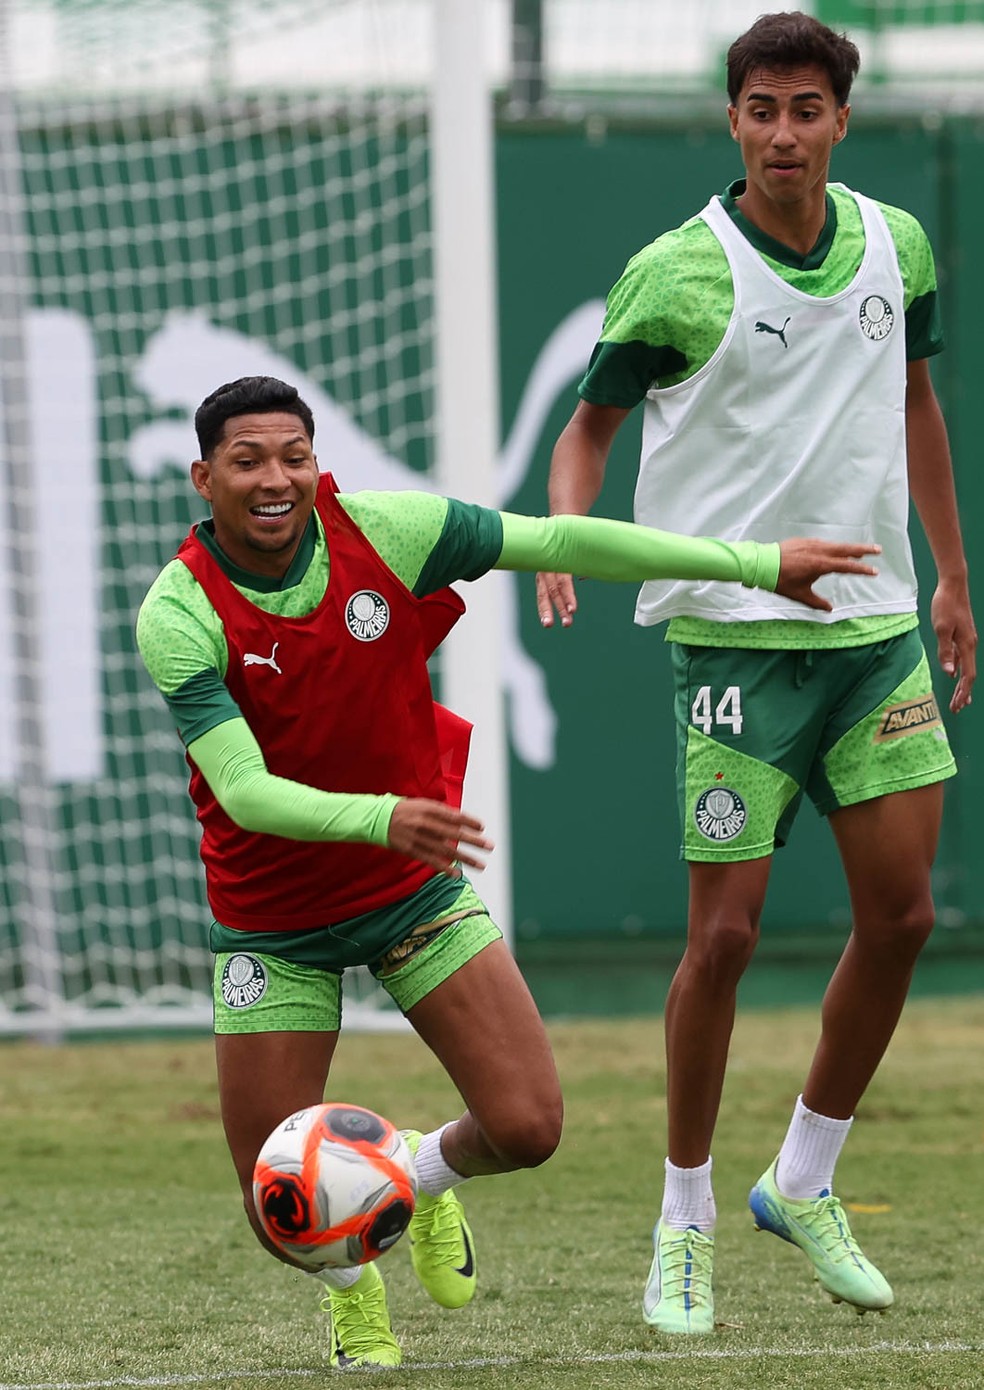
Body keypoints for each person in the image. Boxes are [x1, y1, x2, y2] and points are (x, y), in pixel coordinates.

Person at [135, 374, 877, 1369]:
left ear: (317, 463)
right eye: (248, 460)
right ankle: (355, 1298)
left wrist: (752, 561)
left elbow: (562, 542)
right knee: (280, 1204)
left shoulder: (390, 533)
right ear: (203, 477)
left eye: (293, 456)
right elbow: (245, 790)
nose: (276, 477)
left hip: (409, 890)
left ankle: (408, 1173)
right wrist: (385, 815)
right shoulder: (180, 610)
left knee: (528, 1125)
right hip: (270, 920)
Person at [536, 10, 975, 1338]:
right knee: (721, 940)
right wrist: (563, 542)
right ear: (730, 120)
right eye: (761, 109)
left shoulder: (897, 243)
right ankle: (683, 1217)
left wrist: (953, 577)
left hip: (877, 630)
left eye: (807, 109)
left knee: (901, 919)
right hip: (733, 642)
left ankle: (805, 1177)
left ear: (844, 118)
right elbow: (587, 428)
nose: (784, 132)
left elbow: (915, 403)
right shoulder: (676, 270)